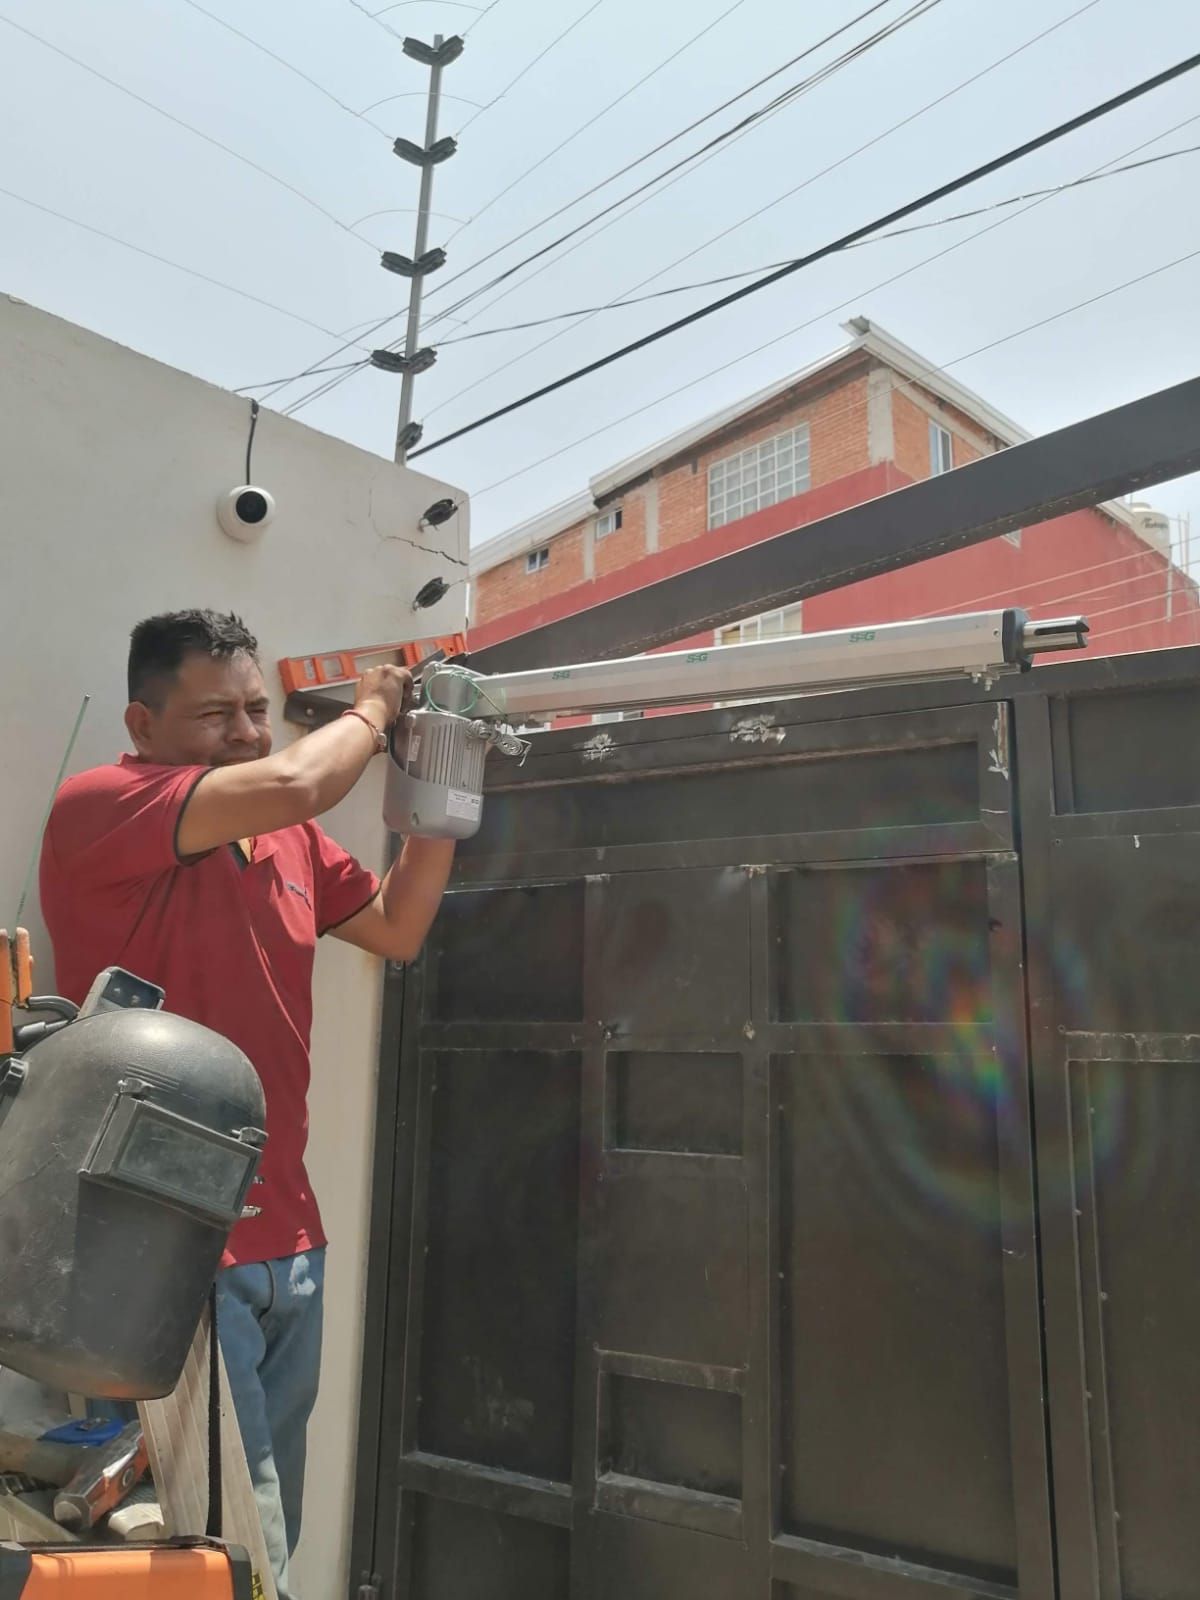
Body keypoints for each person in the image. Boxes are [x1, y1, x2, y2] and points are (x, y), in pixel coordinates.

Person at [39, 609, 454, 1599]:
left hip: (289, 1238)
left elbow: (398, 928)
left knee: (272, 1528)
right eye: (216, 713)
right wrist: (374, 706)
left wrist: (446, 790)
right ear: (142, 724)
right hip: (169, 1243)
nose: (247, 731)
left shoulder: (292, 841)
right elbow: (303, 776)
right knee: (235, 1545)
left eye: (259, 709)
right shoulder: (106, 803)